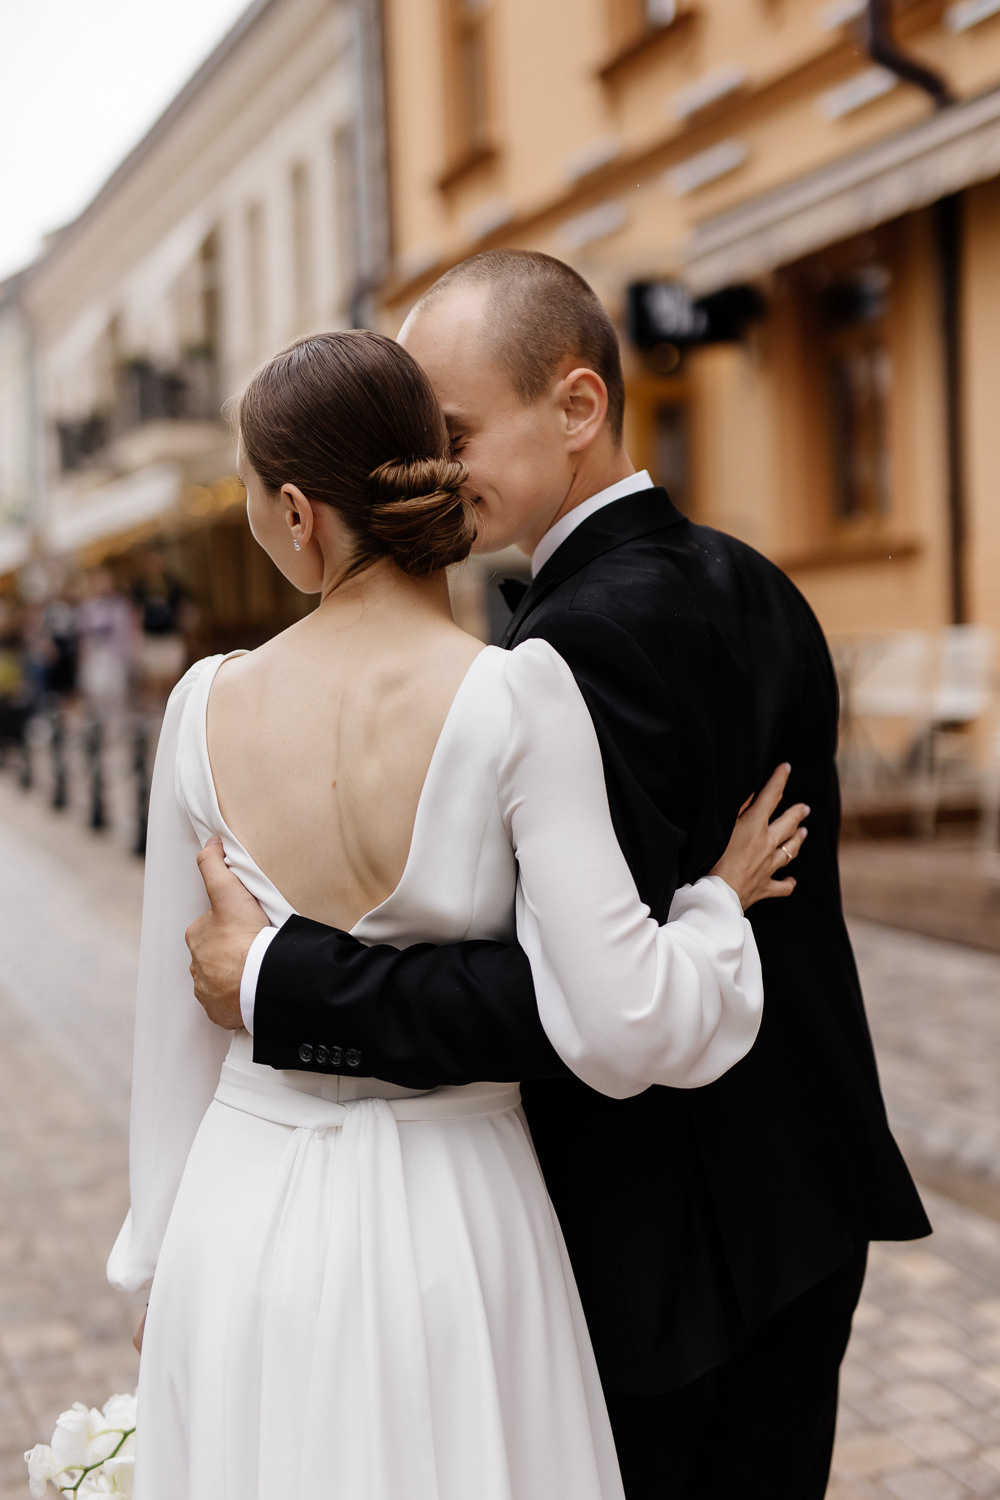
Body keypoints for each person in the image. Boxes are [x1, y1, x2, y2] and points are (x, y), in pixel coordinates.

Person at [188, 251, 931, 1499]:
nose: (425, 471)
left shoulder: (575, 647)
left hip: (663, 1253)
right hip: (804, 1192)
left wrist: (277, 977)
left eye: (451, 435)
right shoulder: (758, 581)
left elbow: (569, 995)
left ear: (577, 406)